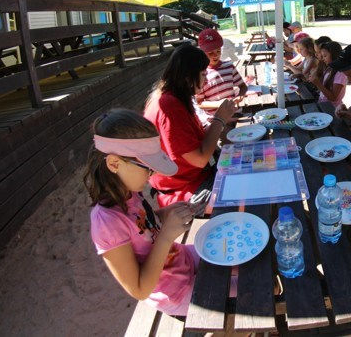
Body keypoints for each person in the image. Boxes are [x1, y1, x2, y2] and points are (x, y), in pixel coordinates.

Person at [84, 108, 203, 318]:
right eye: (146, 166)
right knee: (249, 294)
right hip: (175, 292)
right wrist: (166, 236)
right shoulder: (106, 223)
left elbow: (142, 228)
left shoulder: (128, 191)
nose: (152, 172)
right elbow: (139, 290)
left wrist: (166, 213)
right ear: (114, 163)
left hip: (183, 260)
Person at [144, 43, 237, 207]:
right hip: (183, 190)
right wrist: (219, 120)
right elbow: (200, 159)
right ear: (187, 77)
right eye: (203, 74)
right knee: (241, 186)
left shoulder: (174, 96)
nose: (206, 80)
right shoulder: (169, 107)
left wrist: (218, 122)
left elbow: (193, 141)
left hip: (191, 178)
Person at [195, 28, 247, 116]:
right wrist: (219, 104)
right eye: (210, 53)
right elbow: (199, 103)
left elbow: (243, 86)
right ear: (202, 52)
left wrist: (240, 96)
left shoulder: (229, 67)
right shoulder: (200, 74)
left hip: (234, 113)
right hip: (216, 119)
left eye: (218, 51)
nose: (215, 55)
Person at [309, 40, 347, 108]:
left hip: (332, 108)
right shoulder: (329, 68)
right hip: (323, 104)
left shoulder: (340, 73)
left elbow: (333, 98)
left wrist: (318, 84)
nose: (323, 59)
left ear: (334, 55)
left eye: (325, 56)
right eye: (322, 56)